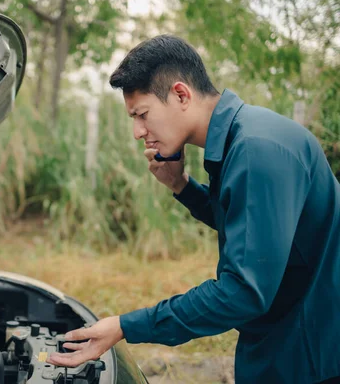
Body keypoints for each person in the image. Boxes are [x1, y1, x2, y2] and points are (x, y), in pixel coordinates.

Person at [46, 35, 340, 384]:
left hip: (311, 353)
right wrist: (181, 186)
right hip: (285, 339)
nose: (138, 132)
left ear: (181, 95)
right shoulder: (242, 138)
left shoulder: (256, 150)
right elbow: (253, 234)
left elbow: (243, 292)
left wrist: (126, 326)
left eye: (142, 114)